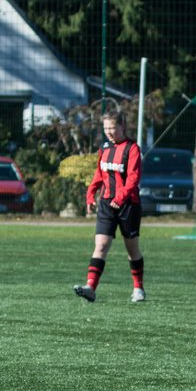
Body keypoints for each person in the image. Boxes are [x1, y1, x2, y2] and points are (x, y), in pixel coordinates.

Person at [74, 110, 145, 303]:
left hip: (128, 205)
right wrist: (90, 195)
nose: (109, 132)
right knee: (101, 245)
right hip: (106, 203)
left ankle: (138, 288)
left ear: (122, 126)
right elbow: (99, 174)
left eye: (112, 127)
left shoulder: (132, 149)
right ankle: (90, 287)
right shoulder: (104, 148)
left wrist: (121, 198)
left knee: (132, 249)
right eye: (106, 128)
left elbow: (133, 178)